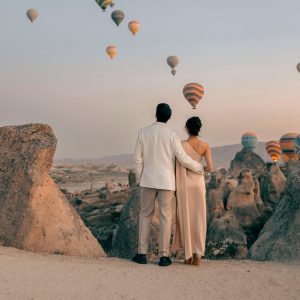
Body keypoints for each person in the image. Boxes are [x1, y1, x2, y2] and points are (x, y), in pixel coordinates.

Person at [132, 104, 204, 267]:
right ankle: (164, 256)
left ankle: (141, 253)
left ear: (155, 114)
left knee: (145, 215)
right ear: (169, 117)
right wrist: (199, 167)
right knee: (166, 218)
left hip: (148, 180)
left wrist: (139, 179)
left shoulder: (143, 133)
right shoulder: (173, 135)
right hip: (167, 182)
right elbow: (182, 157)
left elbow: (137, 159)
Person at [173, 116, 213, 266]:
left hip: (184, 184)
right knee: (198, 218)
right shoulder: (205, 146)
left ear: (186, 128)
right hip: (198, 183)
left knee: (185, 217)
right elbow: (210, 167)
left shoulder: (180, 145)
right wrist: (198, 167)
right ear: (199, 128)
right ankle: (198, 256)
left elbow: (176, 164)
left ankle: (187, 255)